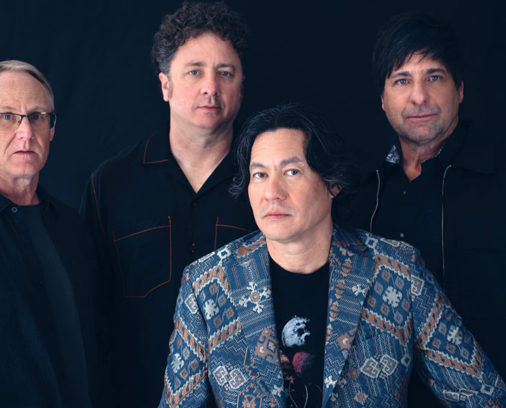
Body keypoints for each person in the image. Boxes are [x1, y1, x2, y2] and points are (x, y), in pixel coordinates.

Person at [159, 104, 506, 407]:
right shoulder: (206, 285)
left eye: (291, 172)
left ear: (332, 182)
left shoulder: (398, 271)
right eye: (259, 175)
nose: (272, 192)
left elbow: (484, 396)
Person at [81, 2, 256, 406]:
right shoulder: (112, 184)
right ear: (165, 85)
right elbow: (91, 315)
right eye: (194, 72)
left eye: (225, 73)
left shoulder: (269, 183)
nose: (210, 87)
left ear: (241, 86)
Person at [336, 12, 506, 406]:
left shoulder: (497, 179)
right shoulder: (360, 196)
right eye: (402, 80)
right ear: (382, 98)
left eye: (434, 77)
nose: (419, 97)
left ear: (460, 89)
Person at [0, 60, 98, 407]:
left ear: (52, 129)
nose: (26, 132)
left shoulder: (72, 228)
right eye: (7, 117)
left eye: (37, 117)